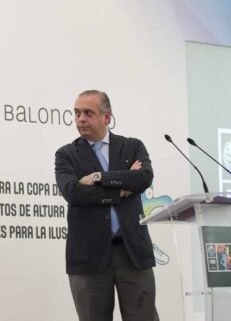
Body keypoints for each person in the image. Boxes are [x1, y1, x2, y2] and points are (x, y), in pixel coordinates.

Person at [55, 90, 158, 321]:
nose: (81, 119)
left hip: (131, 252)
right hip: (88, 256)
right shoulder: (66, 155)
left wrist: (98, 178)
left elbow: (143, 178)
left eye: (88, 113)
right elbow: (73, 192)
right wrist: (121, 189)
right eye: (77, 113)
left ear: (107, 117)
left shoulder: (132, 147)